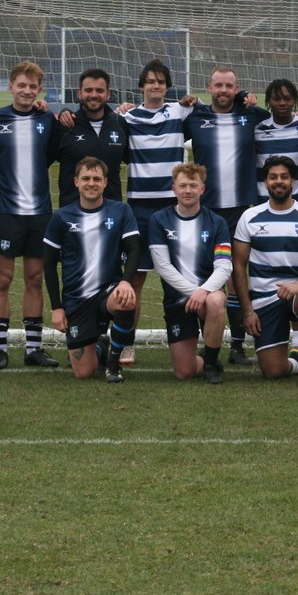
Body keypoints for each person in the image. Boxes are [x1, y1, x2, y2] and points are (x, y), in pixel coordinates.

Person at [185, 66, 268, 365]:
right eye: (218, 85)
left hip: (239, 210)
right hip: (203, 211)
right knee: (203, 274)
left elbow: (288, 116)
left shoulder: (252, 115)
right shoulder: (194, 117)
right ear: (209, 87)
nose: (223, 90)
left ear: (236, 89)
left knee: (235, 273)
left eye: (229, 86)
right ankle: (201, 340)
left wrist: (250, 99)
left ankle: (236, 345)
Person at [0, 60, 61, 370]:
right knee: (2, 279)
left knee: (35, 278)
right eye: (21, 85)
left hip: (39, 213)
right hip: (4, 213)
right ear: (10, 86)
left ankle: (33, 348)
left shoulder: (47, 120)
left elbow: (53, 154)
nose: (26, 91)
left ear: (39, 90)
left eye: (32, 87)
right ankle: (0, 349)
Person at [117, 59, 196, 367]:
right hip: (137, 208)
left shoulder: (180, 111)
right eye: (150, 81)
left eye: (161, 81)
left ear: (167, 86)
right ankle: (125, 343)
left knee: (175, 279)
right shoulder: (127, 117)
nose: (156, 85)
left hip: (172, 208)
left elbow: (212, 107)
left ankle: (182, 338)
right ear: (141, 87)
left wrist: (195, 100)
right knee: (134, 279)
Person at [232, 156, 298, 385]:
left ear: (293, 182)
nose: (279, 181)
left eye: (284, 177)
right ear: (265, 182)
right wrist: (247, 312)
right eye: (273, 177)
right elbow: (238, 266)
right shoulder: (250, 217)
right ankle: (296, 360)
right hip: (265, 300)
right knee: (274, 371)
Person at [42, 157, 140, 383]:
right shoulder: (61, 217)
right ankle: (100, 345)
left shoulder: (121, 211)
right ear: (76, 182)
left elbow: (134, 250)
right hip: (77, 300)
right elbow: (48, 264)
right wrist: (57, 307)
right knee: (83, 372)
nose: (91, 183)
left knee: (126, 300)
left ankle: (114, 365)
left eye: (97, 179)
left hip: (108, 292)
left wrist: (126, 281)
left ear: (106, 182)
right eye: (86, 178)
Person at [147, 163, 231, 384]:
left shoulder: (217, 222)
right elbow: (163, 266)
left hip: (208, 295)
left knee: (216, 301)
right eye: (183, 185)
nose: (188, 190)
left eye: (193, 185)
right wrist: (194, 292)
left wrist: (202, 292)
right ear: (174, 189)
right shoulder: (159, 220)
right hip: (178, 299)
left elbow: (225, 267)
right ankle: (203, 359)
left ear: (202, 189)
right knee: (184, 372)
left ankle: (211, 363)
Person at [53, 68, 128, 208]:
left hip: (111, 215)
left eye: (99, 90)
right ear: (79, 93)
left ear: (108, 94)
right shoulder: (65, 126)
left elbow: (135, 160)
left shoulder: (120, 124)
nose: (94, 95)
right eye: (88, 90)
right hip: (73, 217)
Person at [254, 79, 298, 205]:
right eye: (276, 99)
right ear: (268, 102)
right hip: (264, 208)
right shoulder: (257, 130)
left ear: (295, 101)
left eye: (287, 99)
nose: (282, 103)